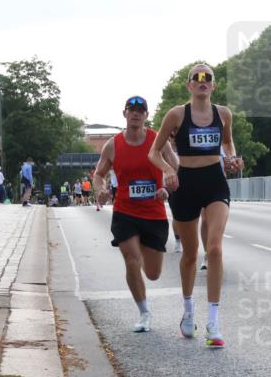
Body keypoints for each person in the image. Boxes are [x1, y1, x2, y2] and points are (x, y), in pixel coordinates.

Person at [149, 64, 243, 347]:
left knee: (214, 248)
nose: (203, 81)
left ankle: (213, 322)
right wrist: (168, 169)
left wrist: (232, 158)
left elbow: (228, 144)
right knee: (190, 254)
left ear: (213, 85)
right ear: (189, 85)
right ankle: (188, 311)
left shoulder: (223, 114)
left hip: (215, 182)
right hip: (185, 184)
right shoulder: (177, 114)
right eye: (197, 77)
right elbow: (154, 151)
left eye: (208, 78)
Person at [93, 96, 178, 333]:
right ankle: (144, 313)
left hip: (154, 213)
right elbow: (99, 174)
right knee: (131, 260)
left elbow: (174, 168)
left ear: (146, 116)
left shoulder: (157, 142)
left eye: (141, 111)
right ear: (125, 113)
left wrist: (166, 187)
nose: (136, 114)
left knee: (152, 273)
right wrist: (99, 191)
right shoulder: (113, 144)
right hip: (125, 212)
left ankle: (141, 254)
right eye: (132, 110)